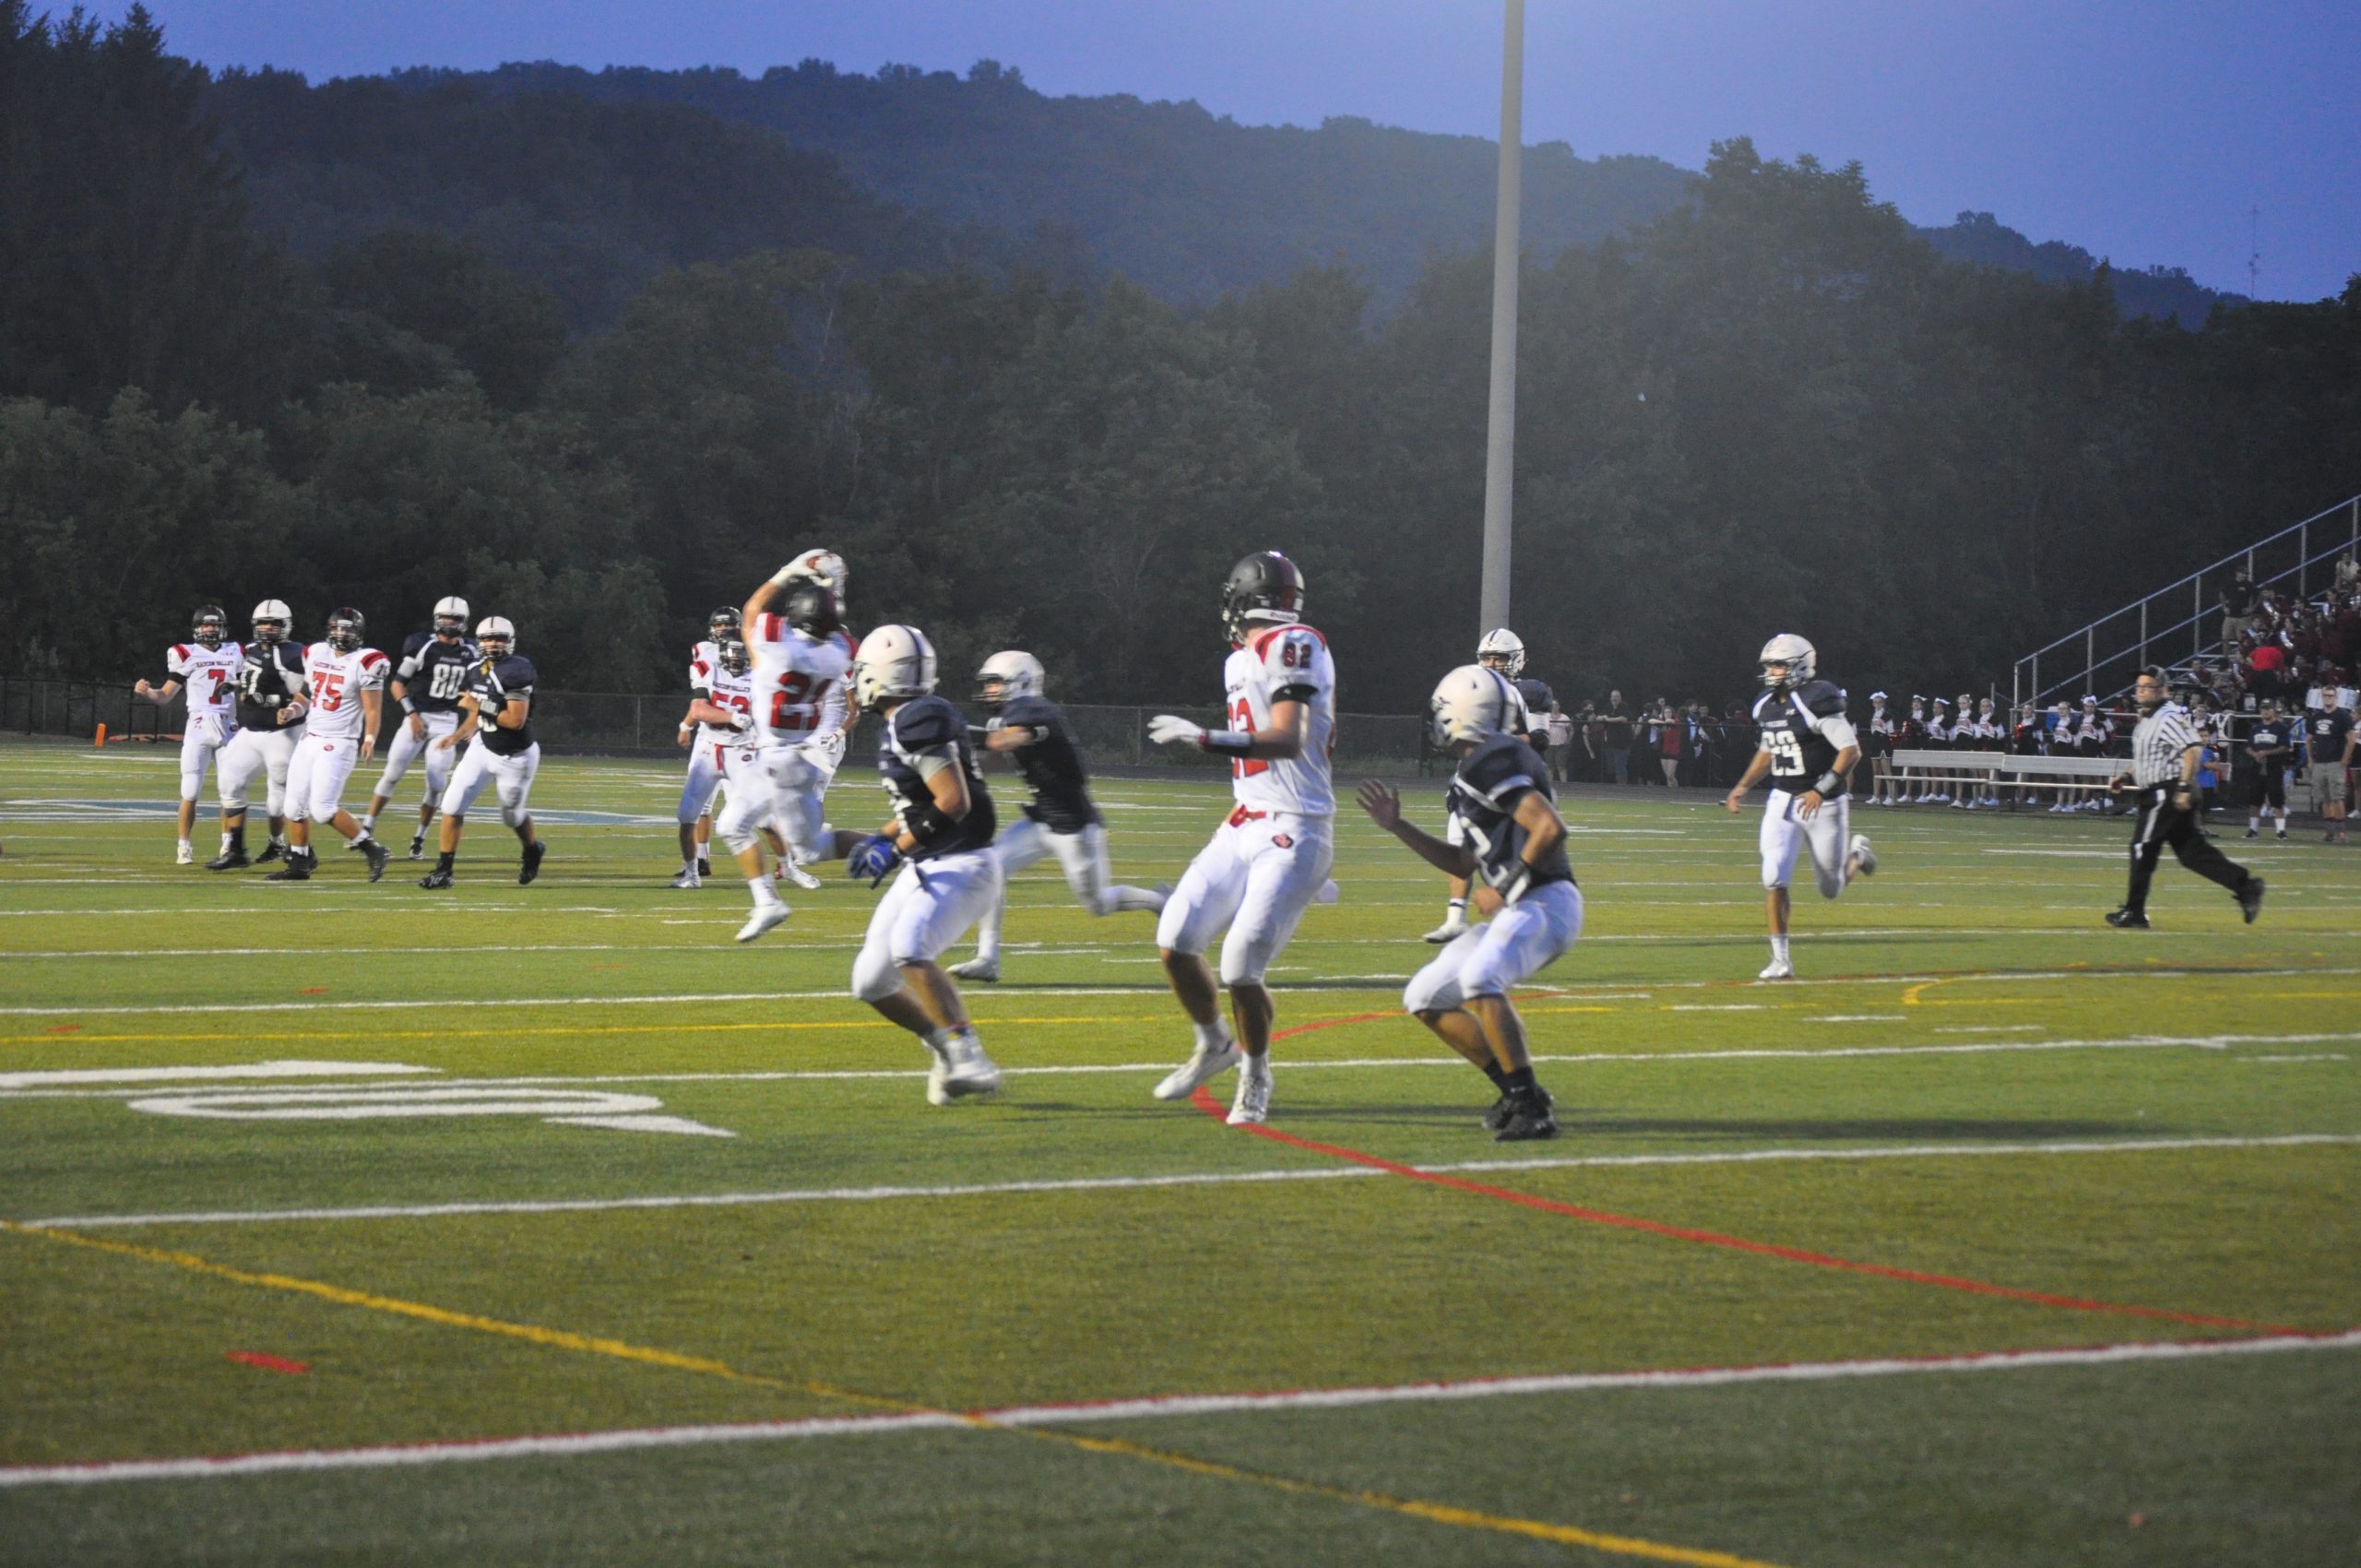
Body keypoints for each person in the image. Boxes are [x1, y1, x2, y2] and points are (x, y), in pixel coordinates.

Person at [1145, 551, 1335, 1125]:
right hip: (1245, 819)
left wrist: (1206, 739)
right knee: (1176, 939)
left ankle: (1256, 1075)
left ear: (1243, 597)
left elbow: (1287, 739)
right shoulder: (1241, 659)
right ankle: (1216, 1044)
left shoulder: (1294, 643)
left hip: (1296, 827)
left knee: (1239, 966)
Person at [1357, 664, 1578, 1142]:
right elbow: (1461, 861)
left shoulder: (1493, 756)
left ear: (1463, 710)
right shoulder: (1476, 766)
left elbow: (1550, 828)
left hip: (1544, 900)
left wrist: (1504, 886)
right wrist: (1398, 825)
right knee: (1425, 996)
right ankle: (1519, 1092)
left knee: (1480, 979)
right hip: (1523, 903)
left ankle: (1531, 1106)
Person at [841, 623, 1003, 1105]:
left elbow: (953, 803)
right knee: (870, 982)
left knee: (910, 948)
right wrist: (884, 835)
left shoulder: (917, 719)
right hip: (932, 862)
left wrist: (895, 848)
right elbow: (921, 805)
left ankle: (969, 1052)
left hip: (963, 863)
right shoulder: (908, 718)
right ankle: (944, 1049)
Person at [948, 650, 1168, 982]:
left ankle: (1159, 900)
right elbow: (992, 758)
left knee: (1098, 903)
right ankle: (987, 958)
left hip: (1073, 826)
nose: (990, 690)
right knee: (990, 869)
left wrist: (956, 732)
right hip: (1041, 820)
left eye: (995, 682)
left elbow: (1006, 740)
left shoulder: (1034, 709)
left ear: (1019, 683)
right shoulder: (1012, 713)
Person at [1722, 633, 1877, 980]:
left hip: (1824, 803)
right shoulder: (1765, 705)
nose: (1773, 671)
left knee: (1830, 888)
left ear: (1800, 666)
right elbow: (1769, 749)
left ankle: (1859, 857)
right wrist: (1743, 786)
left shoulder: (1816, 699)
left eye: (1779, 665)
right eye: (1770, 665)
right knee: (1773, 875)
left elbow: (1850, 752)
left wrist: (1820, 790)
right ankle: (1781, 960)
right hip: (1783, 798)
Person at [722, 573, 859, 941]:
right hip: (796, 757)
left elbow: (752, 610)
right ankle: (768, 903)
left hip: (778, 759)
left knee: (796, 847)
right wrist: (834, 597)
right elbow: (842, 636)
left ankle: (897, 845)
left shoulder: (777, 648)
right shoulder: (837, 655)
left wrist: (788, 571)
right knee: (798, 847)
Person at [2105, 669, 2263, 928]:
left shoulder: (2168, 716)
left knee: (2142, 847)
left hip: (2164, 792)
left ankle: (2134, 911)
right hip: (2159, 791)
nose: (2141, 691)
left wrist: (2182, 787)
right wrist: (2124, 775)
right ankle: (2246, 886)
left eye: (2148, 686)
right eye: (2139, 686)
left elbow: (2192, 749)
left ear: (2162, 690)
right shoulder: (2147, 718)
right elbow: (2149, 758)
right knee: (2192, 853)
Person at [1430, 627, 1543, 943]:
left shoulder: (1525, 693)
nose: (1493, 663)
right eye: (1488, 657)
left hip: (1509, 781)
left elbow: (1539, 740)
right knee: (1458, 845)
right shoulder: (1472, 690)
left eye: (1500, 658)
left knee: (1508, 855)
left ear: (1516, 661)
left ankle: (1525, 916)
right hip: (1471, 779)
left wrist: (1492, 741)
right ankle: (1455, 919)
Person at [418, 616, 546, 888]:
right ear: (479, 641)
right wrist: (458, 733)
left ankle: (533, 848)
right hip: (482, 746)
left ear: (510, 641)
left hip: (515, 756)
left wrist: (478, 708)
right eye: (488, 638)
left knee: (511, 816)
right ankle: (444, 870)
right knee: (451, 804)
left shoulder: (518, 670)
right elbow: (476, 712)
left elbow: (514, 720)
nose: (493, 643)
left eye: (499, 638)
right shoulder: (476, 669)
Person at [266, 608, 391, 883]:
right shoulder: (316, 653)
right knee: (293, 806)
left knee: (322, 808)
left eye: (348, 629)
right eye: (337, 628)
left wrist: (369, 738)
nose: (341, 634)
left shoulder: (366, 661)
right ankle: (299, 863)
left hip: (339, 741)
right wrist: (293, 710)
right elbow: (308, 694)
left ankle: (373, 849)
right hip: (310, 737)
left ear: (358, 634)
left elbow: (372, 710)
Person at [362, 597, 477, 860]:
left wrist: (473, 720)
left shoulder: (472, 651)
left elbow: (477, 690)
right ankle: (367, 828)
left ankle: (419, 839)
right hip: (418, 716)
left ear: (463, 623)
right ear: (437, 618)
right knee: (392, 773)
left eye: (454, 618)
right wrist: (412, 714)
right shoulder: (423, 645)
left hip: (447, 721)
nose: (448, 622)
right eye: (445, 617)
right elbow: (397, 684)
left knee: (437, 782)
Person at [134, 605, 242, 864]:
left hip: (229, 725)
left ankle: (228, 845)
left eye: (215, 625)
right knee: (190, 790)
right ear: (197, 628)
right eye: (206, 625)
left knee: (231, 790)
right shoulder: (185, 653)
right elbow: (165, 696)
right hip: (199, 724)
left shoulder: (236, 652)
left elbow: (246, 688)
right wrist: (147, 692)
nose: (211, 629)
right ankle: (183, 845)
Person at [208, 600, 305, 869]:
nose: (268, 628)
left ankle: (293, 848)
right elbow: (253, 679)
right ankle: (236, 851)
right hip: (251, 731)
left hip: (283, 733)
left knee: (280, 801)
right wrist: (233, 684)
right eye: (263, 623)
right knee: (229, 782)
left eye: (274, 624)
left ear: (286, 626)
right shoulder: (250, 648)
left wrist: (272, 701)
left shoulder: (294, 654)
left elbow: (302, 695)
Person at [671, 607, 743, 886]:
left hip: (741, 740)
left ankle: (787, 862)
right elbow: (700, 700)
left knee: (754, 807)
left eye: (728, 625)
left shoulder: (750, 655)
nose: (722, 630)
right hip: (710, 734)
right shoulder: (704, 654)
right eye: (718, 626)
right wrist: (687, 724)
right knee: (698, 805)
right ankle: (699, 860)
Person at [2243, 700, 2293, 839]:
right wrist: (2255, 754)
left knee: (2277, 799)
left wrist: (2267, 753)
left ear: (2273, 710)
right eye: (2263, 709)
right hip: (2257, 767)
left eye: (2268, 708)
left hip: (2274, 767)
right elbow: (2248, 746)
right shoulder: (2256, 728)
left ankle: (2281, 831)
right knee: (2255, 799)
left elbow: (2285, 746)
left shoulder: (2281, 728)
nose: (2265, 711)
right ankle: (2253, 829)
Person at [2308, 692, 2353, 842]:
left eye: (2331, 695)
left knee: (2337, 797)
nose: (2328, 697)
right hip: (2320, 761)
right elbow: (2309, 738)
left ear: (2336, 697)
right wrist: (2310, 758)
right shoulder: (2316, 716)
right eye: (2326, 695)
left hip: (2335, 761)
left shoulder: (2342, 716)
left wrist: (2345, 759)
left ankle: (2341, 832)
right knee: (2324, 798)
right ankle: (2329, 831)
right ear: (2322, 697)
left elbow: (2351, 739)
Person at [1863, 692, 1895, 805]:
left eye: (1879, 702)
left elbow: (1891, 732)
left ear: (1883, 703)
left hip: (1884, 742)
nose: (1877, 704)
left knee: (1886, 770)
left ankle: (1890, 796)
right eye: (1875, 702)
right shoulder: (1873, 714)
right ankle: (1876, 796)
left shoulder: (1887, 714)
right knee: (1876, 771)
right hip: (1875, 742)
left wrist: (1884, 728)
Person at [2220, 567, 2260, 649]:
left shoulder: (2249, 585)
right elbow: (2222, 593)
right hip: (2230, 616)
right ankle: (2226, 659)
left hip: (2243, 617)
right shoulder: (2230, 583)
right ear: (2237, 573)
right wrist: (2224, 606)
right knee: (2225, 638)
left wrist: (2252, 608)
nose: (2244, 576)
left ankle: (2242, 658)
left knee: (2242, 640)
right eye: (2242, 573)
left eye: (2245, 574)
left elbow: (2259, 595)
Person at [1543, 701, 1572, 783]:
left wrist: (1568, 740)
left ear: (1558, 706)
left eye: (1555, 705)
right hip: (1549, 745)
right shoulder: (1546, 717)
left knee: (1561, 766)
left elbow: (1571, 730)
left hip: (1561, 745)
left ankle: (1564, 786)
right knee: (1550, 767)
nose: (1553, 706)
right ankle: (1549, 786)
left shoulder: (1565, 717)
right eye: (1552, 705)